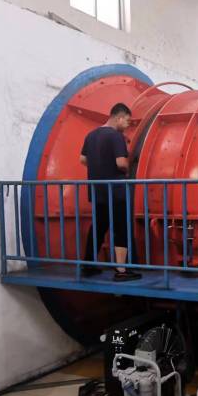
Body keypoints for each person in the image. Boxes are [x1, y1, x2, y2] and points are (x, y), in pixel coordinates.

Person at [80, 103, 141, 281]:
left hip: (97, 190)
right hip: (116, 190)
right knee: (121, 228)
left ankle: (88, 265)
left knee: (98, 227)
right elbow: (121, 163)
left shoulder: (91, 135)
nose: (127, 125)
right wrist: (127, 170)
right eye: (127, 121)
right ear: (119, 118)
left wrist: (99, 166)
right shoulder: (116, 136)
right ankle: (121, 271)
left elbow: (82, 159)